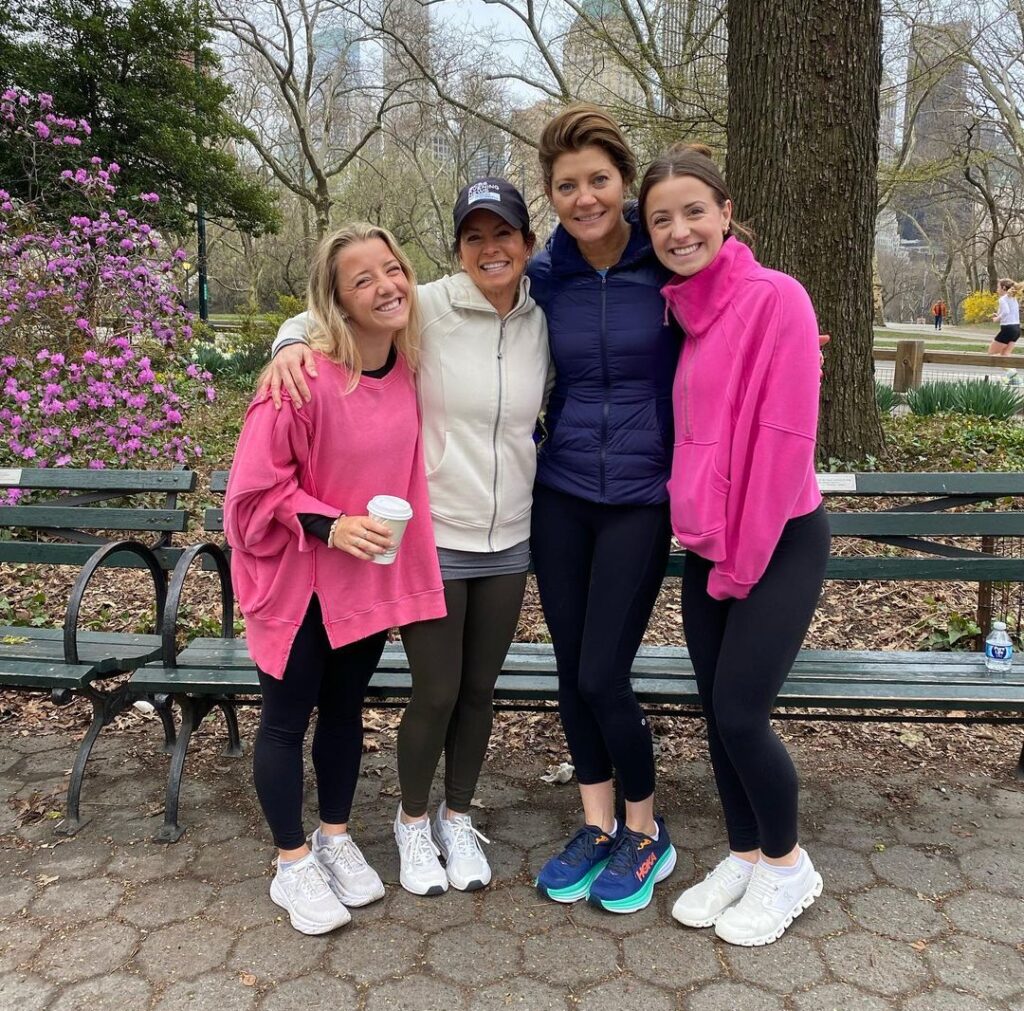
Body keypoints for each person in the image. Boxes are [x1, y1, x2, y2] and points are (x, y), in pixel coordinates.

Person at [263, 179, 550, 896]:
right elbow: (330, 312)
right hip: (433, 537)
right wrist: (287, 345)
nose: (491, 248)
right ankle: (412, 823)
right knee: (437, 688)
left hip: (511, 533)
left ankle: (458, 815)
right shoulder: (426, 303)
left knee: (479, 691)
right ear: (457, 248)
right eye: (474, 236)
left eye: (504, 233)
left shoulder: (547, 314)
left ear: (526, 243)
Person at [224, 222, 447, 934]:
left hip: (363, 584)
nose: (386, 286)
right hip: (294, 582)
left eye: (393, 269)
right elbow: (251, 496)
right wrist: (328, 522)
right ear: (337, 302)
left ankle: (335, 835)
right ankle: (292, 864)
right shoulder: (300, 377)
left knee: (347, 713)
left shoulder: (409, 367)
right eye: (363, 279)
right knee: (287, 721)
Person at [638, 143, 829, 946]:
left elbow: (784, 444)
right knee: (716, 714)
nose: (679, 230)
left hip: (777, 540)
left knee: (744, 714)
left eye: (692, 211)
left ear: (724, 211)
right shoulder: (685, 310)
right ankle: (746, 852)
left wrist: (741, 564)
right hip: (712, 547)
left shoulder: (777, 298)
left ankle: (789, 867)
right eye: (660, 219)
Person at [529, 104, 679, 915]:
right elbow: (421, 300)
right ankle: (595, 825)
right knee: (568, 669)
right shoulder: (544, 273)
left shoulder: (673, 263)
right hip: (559, 496)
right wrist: (293, 339)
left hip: (641, 497)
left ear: (623, 181)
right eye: (566, 185)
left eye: (597, 180)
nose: (584, 198)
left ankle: (646, 830)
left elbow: (754, 298)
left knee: (602, 672)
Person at [988, 278, 1020, 356]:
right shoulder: (1013, 298)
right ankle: (1011, 368)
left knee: (991, 353)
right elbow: (1009, 312)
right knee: (1005, 354)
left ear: (1004, 288)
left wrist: (996, 319)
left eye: (998, 287)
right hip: (1016, 330)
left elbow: (1006, 312)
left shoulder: (1002, 299)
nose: (997, 289)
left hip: (1008, 329)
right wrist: (997, 315)